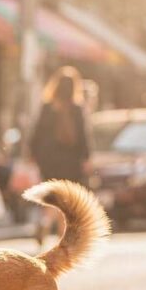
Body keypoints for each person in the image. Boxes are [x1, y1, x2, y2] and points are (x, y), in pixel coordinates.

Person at [28, 66, 94, 245]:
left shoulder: (47, 107)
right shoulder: (77, 109)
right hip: (71, 161)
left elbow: (36, 132)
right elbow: (83, 137)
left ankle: (45, 222)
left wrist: (32, 153)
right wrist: (87, 158)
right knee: (66, 199)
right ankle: (61, 237)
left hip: (48, 160)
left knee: (52, 195)